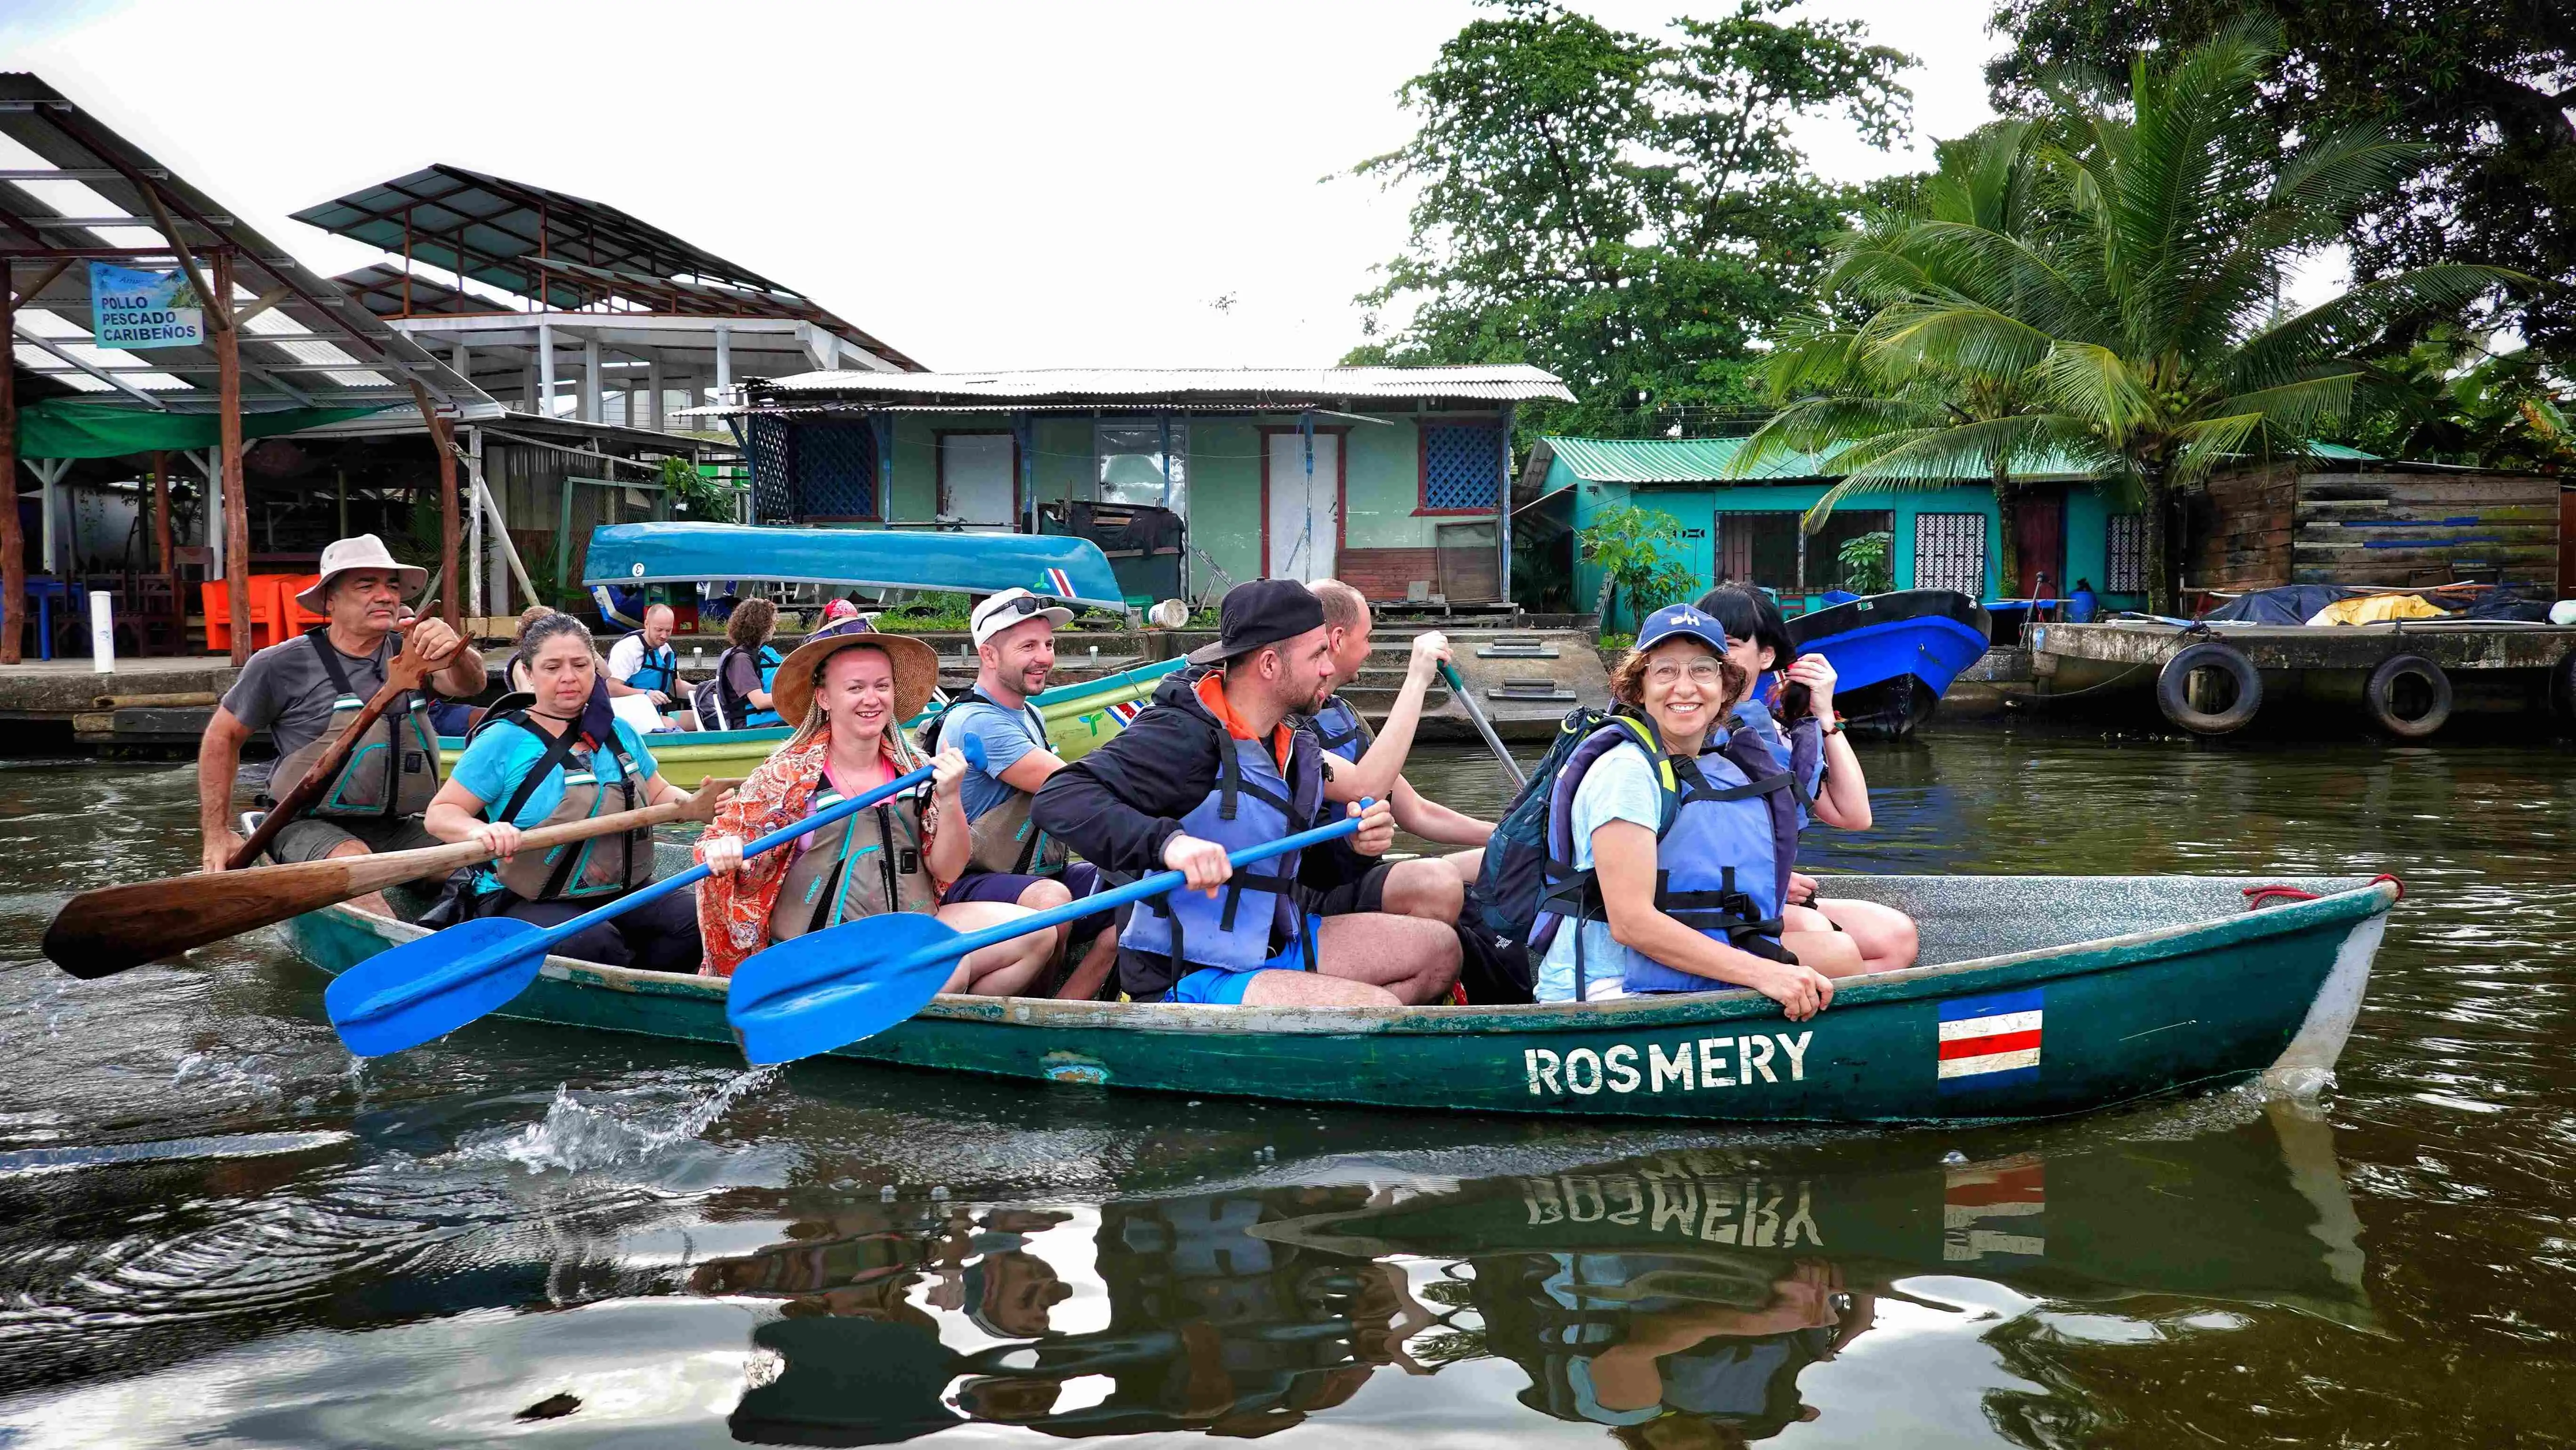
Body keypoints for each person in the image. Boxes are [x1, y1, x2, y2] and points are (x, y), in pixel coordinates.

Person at [1031, 579, 1460, 1007]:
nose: (1328, 669)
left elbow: (1307, 874)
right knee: (1377, 1010)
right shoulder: (1181, 735)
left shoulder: (1295, 746)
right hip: (1193, 972)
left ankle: (1312, 1039)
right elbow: (1060, 796)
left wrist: (1353, 847)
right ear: (1270, 664)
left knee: (1441, 952)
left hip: (1275, 944)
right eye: (1317, 655)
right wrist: (1170, 844)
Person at [1534, 603, 1861, 1010]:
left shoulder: (1701, 763)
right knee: (1840, 961)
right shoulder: (1627, 771)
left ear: (1726, 688)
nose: (1685, 688)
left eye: (1702, 670)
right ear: (1639, 689)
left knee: (1840, 957)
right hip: (1606, 987)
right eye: (1666, 671)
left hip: (1661, 972)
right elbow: (1632, 924)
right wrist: (1765, 973)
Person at [695, 626, 1055, 996]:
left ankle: (957, 1024)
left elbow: (948, 870)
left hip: (909, 925)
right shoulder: (787, 776)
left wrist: (950, 798)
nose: (872, 699)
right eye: (855, 688)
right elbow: (717, 839)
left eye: (882, 686)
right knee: (947, 965)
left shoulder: (915, 769)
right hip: (819, 946)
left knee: (1037, 934)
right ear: (824, 698)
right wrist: (722, 849)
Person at [197, 534, 487, 914]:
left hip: (398, 826)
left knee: (481, 868)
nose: (385, 596)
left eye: (392, 586)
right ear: (330, 600)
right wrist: (216, 834)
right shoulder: (279, 665)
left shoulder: (415, 651)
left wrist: (457, 652)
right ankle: (396, 946)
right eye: (367, 586)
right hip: (305, 824)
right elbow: (222, 737)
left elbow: (471, 685)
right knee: (354, 864)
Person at [425, 612, 709, 971]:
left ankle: (647, 986)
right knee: (593, 943)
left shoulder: (619, 732)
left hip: (618, 887)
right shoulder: (502, 739)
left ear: (595, 669)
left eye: (580, 665)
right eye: (552, 667)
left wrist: (695, 804)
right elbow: (441, 813)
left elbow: (657, 794)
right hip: (527, 894)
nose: (569, 677)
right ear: (528, 673)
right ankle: (620, 975)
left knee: (699, 919)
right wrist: (482, 831)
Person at [1695, 587, 1918, 974]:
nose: (1717, 659)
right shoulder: (1681, 727)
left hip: (1758, 894)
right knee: (1823, 935)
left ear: (1767, 656)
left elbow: (1854, 816)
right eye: (1706, 646)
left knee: (1897, 937)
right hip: (1706, 900)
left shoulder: (1774, 737)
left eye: (1729, 645)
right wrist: (1755, 876)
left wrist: (1826, 718)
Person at [924, 588, 1121, 1000]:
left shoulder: (1030, 713)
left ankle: (1071, 1009)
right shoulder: (977, 721)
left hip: (1029, 871)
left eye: (1048, 645)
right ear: (989, 656)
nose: (1045, 657)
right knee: (1052, 900)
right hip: (966, 881)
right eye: (1028, 647)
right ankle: (1039, 1012)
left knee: (1144, 886)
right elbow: (1069, 784)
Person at [1301, 579, 1495, 926]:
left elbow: (1416, 811)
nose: (1370, 650)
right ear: (1338, 640)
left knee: (1505, 860)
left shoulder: (1345, 714)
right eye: (1367, 638)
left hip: (1362, 874)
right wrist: (1417, 679)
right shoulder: (1287, 724)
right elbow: (1363, 787)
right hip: (1314, 889)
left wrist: (1506, 836)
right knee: (1437, 882)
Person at [705, 596, 785, 728]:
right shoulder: (740, 660)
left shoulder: (759, 654)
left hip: (773, 721)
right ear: (762, 626)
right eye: (772, 624)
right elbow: (759, 702)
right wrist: (795, 697)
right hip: (749, 727)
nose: (774, 629)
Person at [607, 602, 688, 711]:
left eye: (668, 630)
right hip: (627, 715)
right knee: (670, 721)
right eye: (659, 630)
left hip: (655, 714)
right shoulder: (627, 649)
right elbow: (611, 688)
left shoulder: (667, 650)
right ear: (647, 624)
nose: (664, 636)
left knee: (699, 716)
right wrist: (646, 694)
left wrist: (702, 689)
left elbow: (675, 688)